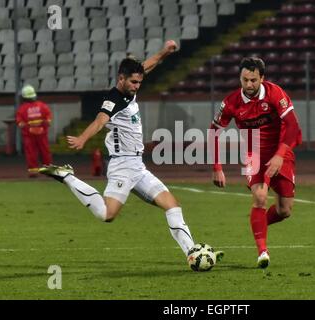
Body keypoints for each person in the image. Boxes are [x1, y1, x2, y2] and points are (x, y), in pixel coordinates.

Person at [39, 40, 223, 263]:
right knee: (107, 215)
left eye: (139, 82)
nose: (137, 86)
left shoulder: (130, 87)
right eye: (133, 82)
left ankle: (192, 253)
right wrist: (82, 139)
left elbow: (149, 64)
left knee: (172, 205)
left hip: (138, 167)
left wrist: (165, 51)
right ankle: (67, 176)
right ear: (121, 79)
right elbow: (99, 121)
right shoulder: (113, 100)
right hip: (122, 166)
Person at [209, 57, 302, 268]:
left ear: (262, 78)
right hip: (254, 153)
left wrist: (279, 156)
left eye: (253, 80)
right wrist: (217, 167)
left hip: (281, 151)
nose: (249, 85)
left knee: (284, 210)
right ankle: (263, 252)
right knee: (260, 197)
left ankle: (258, 223)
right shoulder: (231, 103)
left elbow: (293, 126)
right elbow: (214, 131)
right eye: (244, 80)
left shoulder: (275, 94)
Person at [15, 85, 53, 177]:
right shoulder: (42, 106)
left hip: (29, 135)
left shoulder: (22, 108)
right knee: (45, 151)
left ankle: (33, 171)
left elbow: (19, 122)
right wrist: (43, 125)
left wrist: (28, 127)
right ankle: (49, 170)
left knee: (31, 153)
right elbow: (48, 118)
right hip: (42, 134)